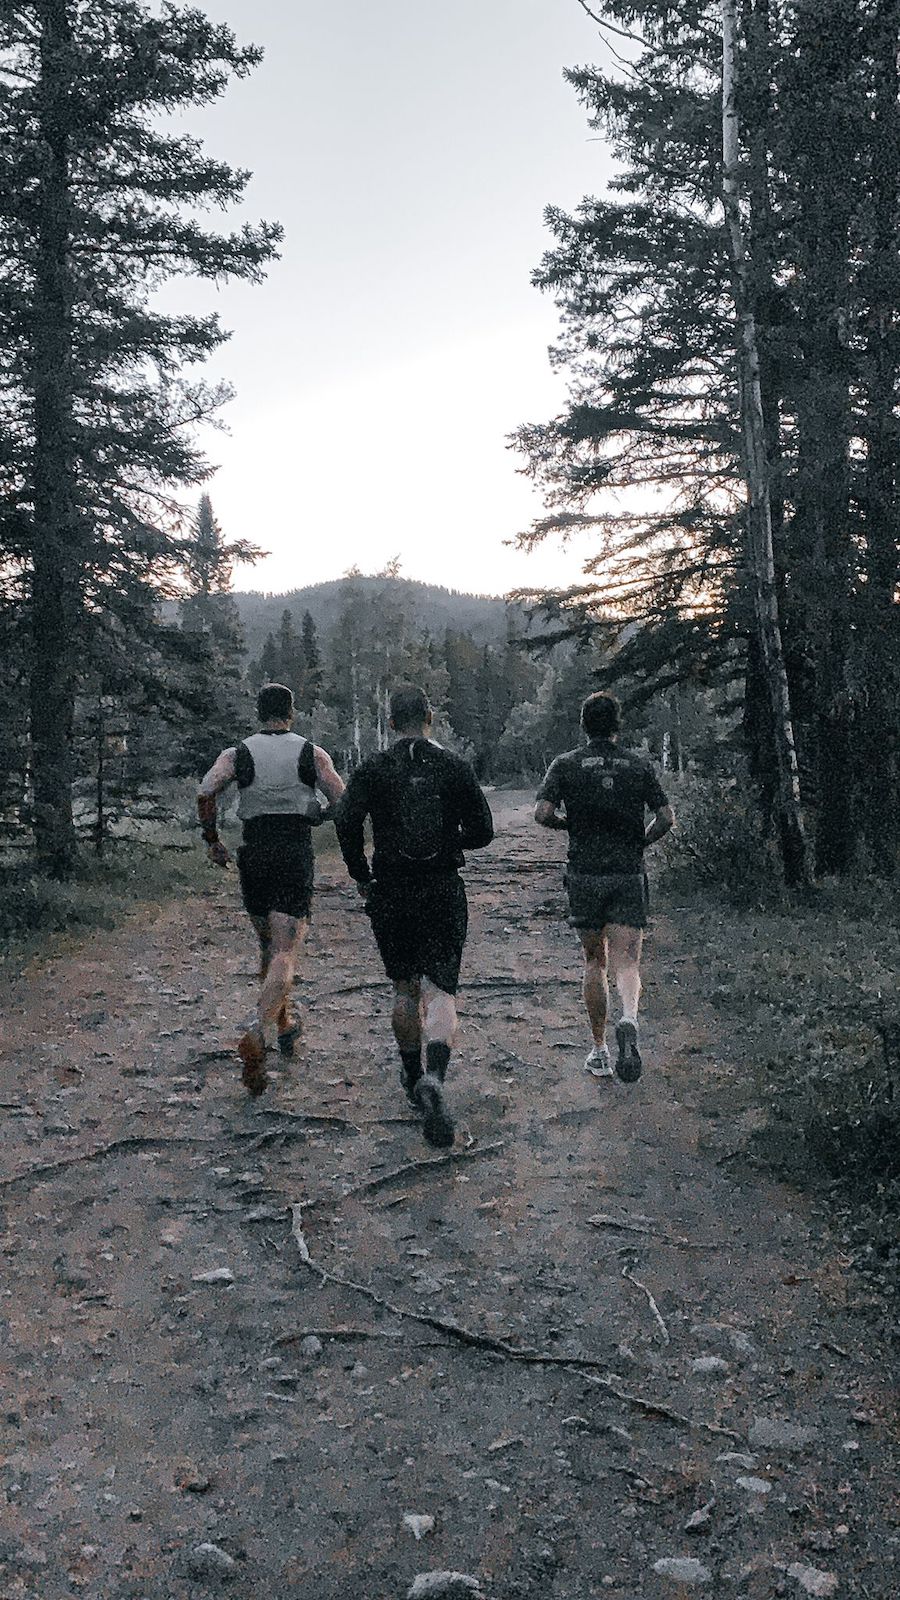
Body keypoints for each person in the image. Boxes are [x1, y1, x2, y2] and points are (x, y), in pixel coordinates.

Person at [335, 684, 494, 1148]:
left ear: (389, 723)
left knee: (404, 988)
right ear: (430, 717)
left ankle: (411, 1079)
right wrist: (451, 843)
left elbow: (346, 822)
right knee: (441, 989)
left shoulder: (373, 768)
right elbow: (483, 832)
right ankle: (437, 1077)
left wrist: (361, 874)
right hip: (442, 886)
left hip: (391, 889)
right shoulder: (452, 766)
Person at [197, 682, 345, 1096]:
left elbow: (206, 791)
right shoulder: (310, 753)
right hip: (293, 849)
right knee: (285, 949)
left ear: (259, 712)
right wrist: (318, 815)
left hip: (254, 850)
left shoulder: (237, 753)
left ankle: (285, 1023)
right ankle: (258, 1033)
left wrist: (212, 840)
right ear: (291, 711)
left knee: (267, 946)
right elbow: (342, 799)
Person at [534, 691, 674, 1083]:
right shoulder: (638, 766)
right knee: (628, 960)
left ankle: (599, 1050)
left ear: (584, 725)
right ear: (617, 725)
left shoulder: (566, 765)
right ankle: (628, 1018)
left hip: (584, 873)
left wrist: (568, 824)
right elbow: (666, 817)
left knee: (593, 962)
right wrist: (641, 840)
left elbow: (542, 813)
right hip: (627, 872)